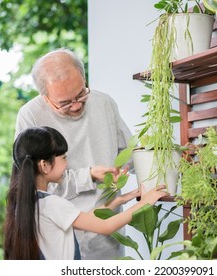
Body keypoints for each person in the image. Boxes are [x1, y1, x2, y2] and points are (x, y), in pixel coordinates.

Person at [14, 48, 133, 259]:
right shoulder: (30, 116)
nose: (77, 105)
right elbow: (35, 181)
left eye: (81, 94)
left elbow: (130, 154)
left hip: (108, 238)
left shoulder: (104, 103)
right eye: (65, 103)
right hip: (61, 238)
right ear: (45, 97)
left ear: (84, 78)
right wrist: (87, 176)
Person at [4, 126, 168, 260]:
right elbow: (105, 226)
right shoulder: (52, 204)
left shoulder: (26, 204)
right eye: (63, 158)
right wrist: (145, 202)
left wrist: (121, 200)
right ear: (44, 165)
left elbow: (86, 219)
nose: (67, 164)